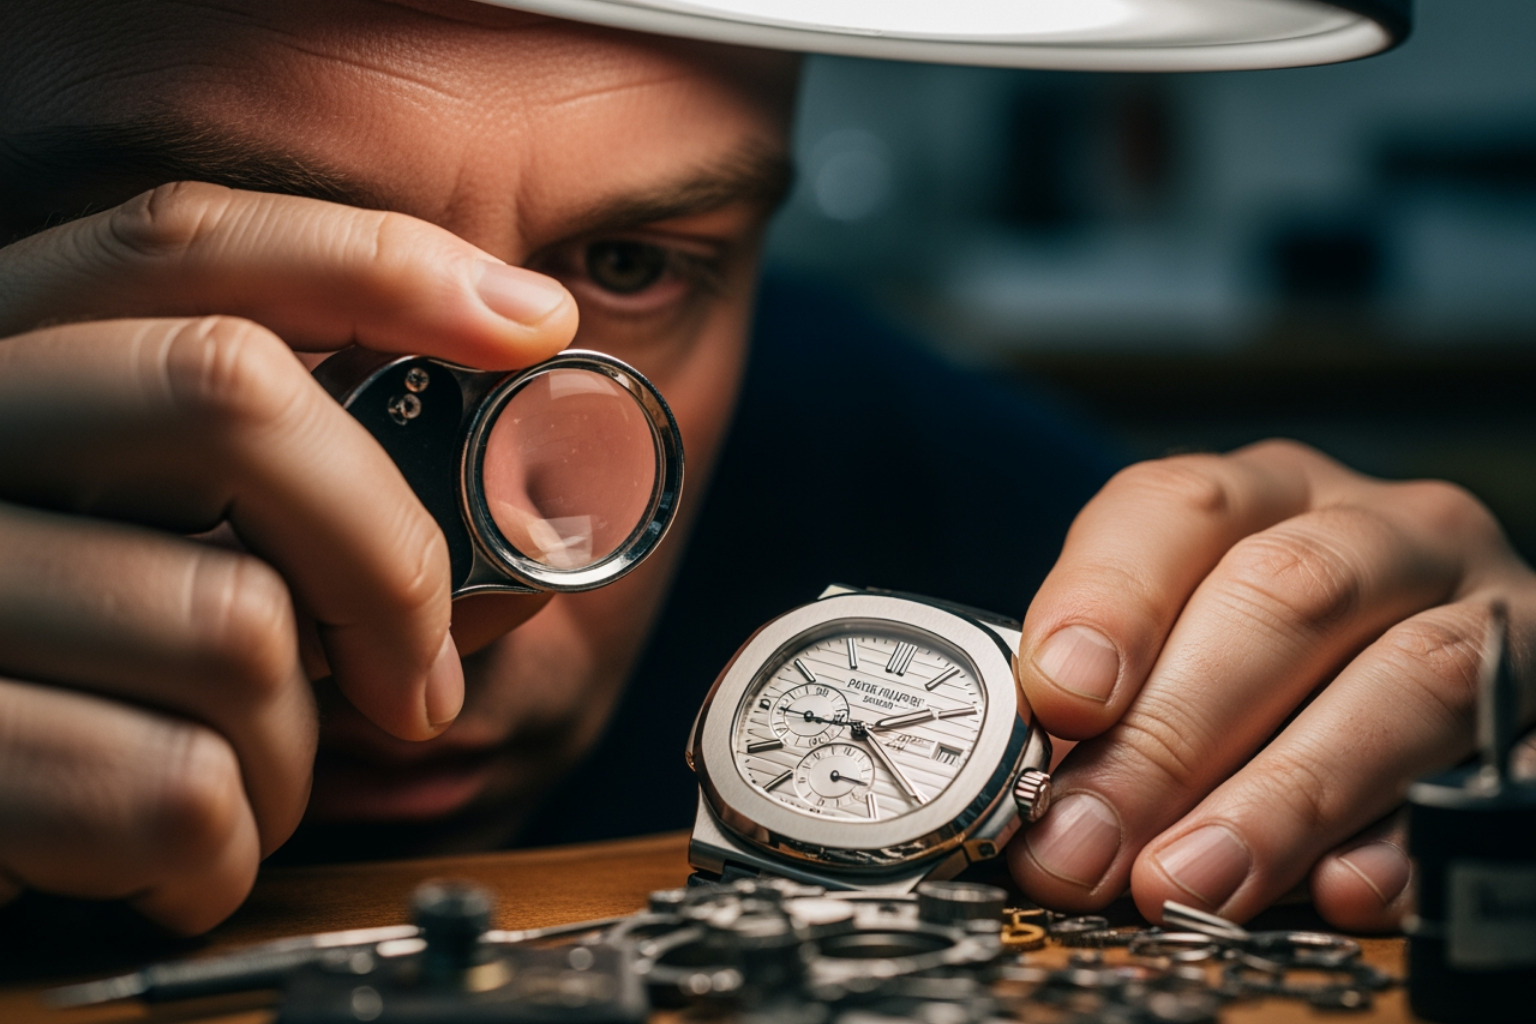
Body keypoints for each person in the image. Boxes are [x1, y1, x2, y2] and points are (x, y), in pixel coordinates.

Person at [0, 0, 1529, 939]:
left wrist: (1449, 723)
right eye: (259, 283)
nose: (457, 595)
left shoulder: (919, 471)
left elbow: (1371, 683)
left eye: (632, 265)